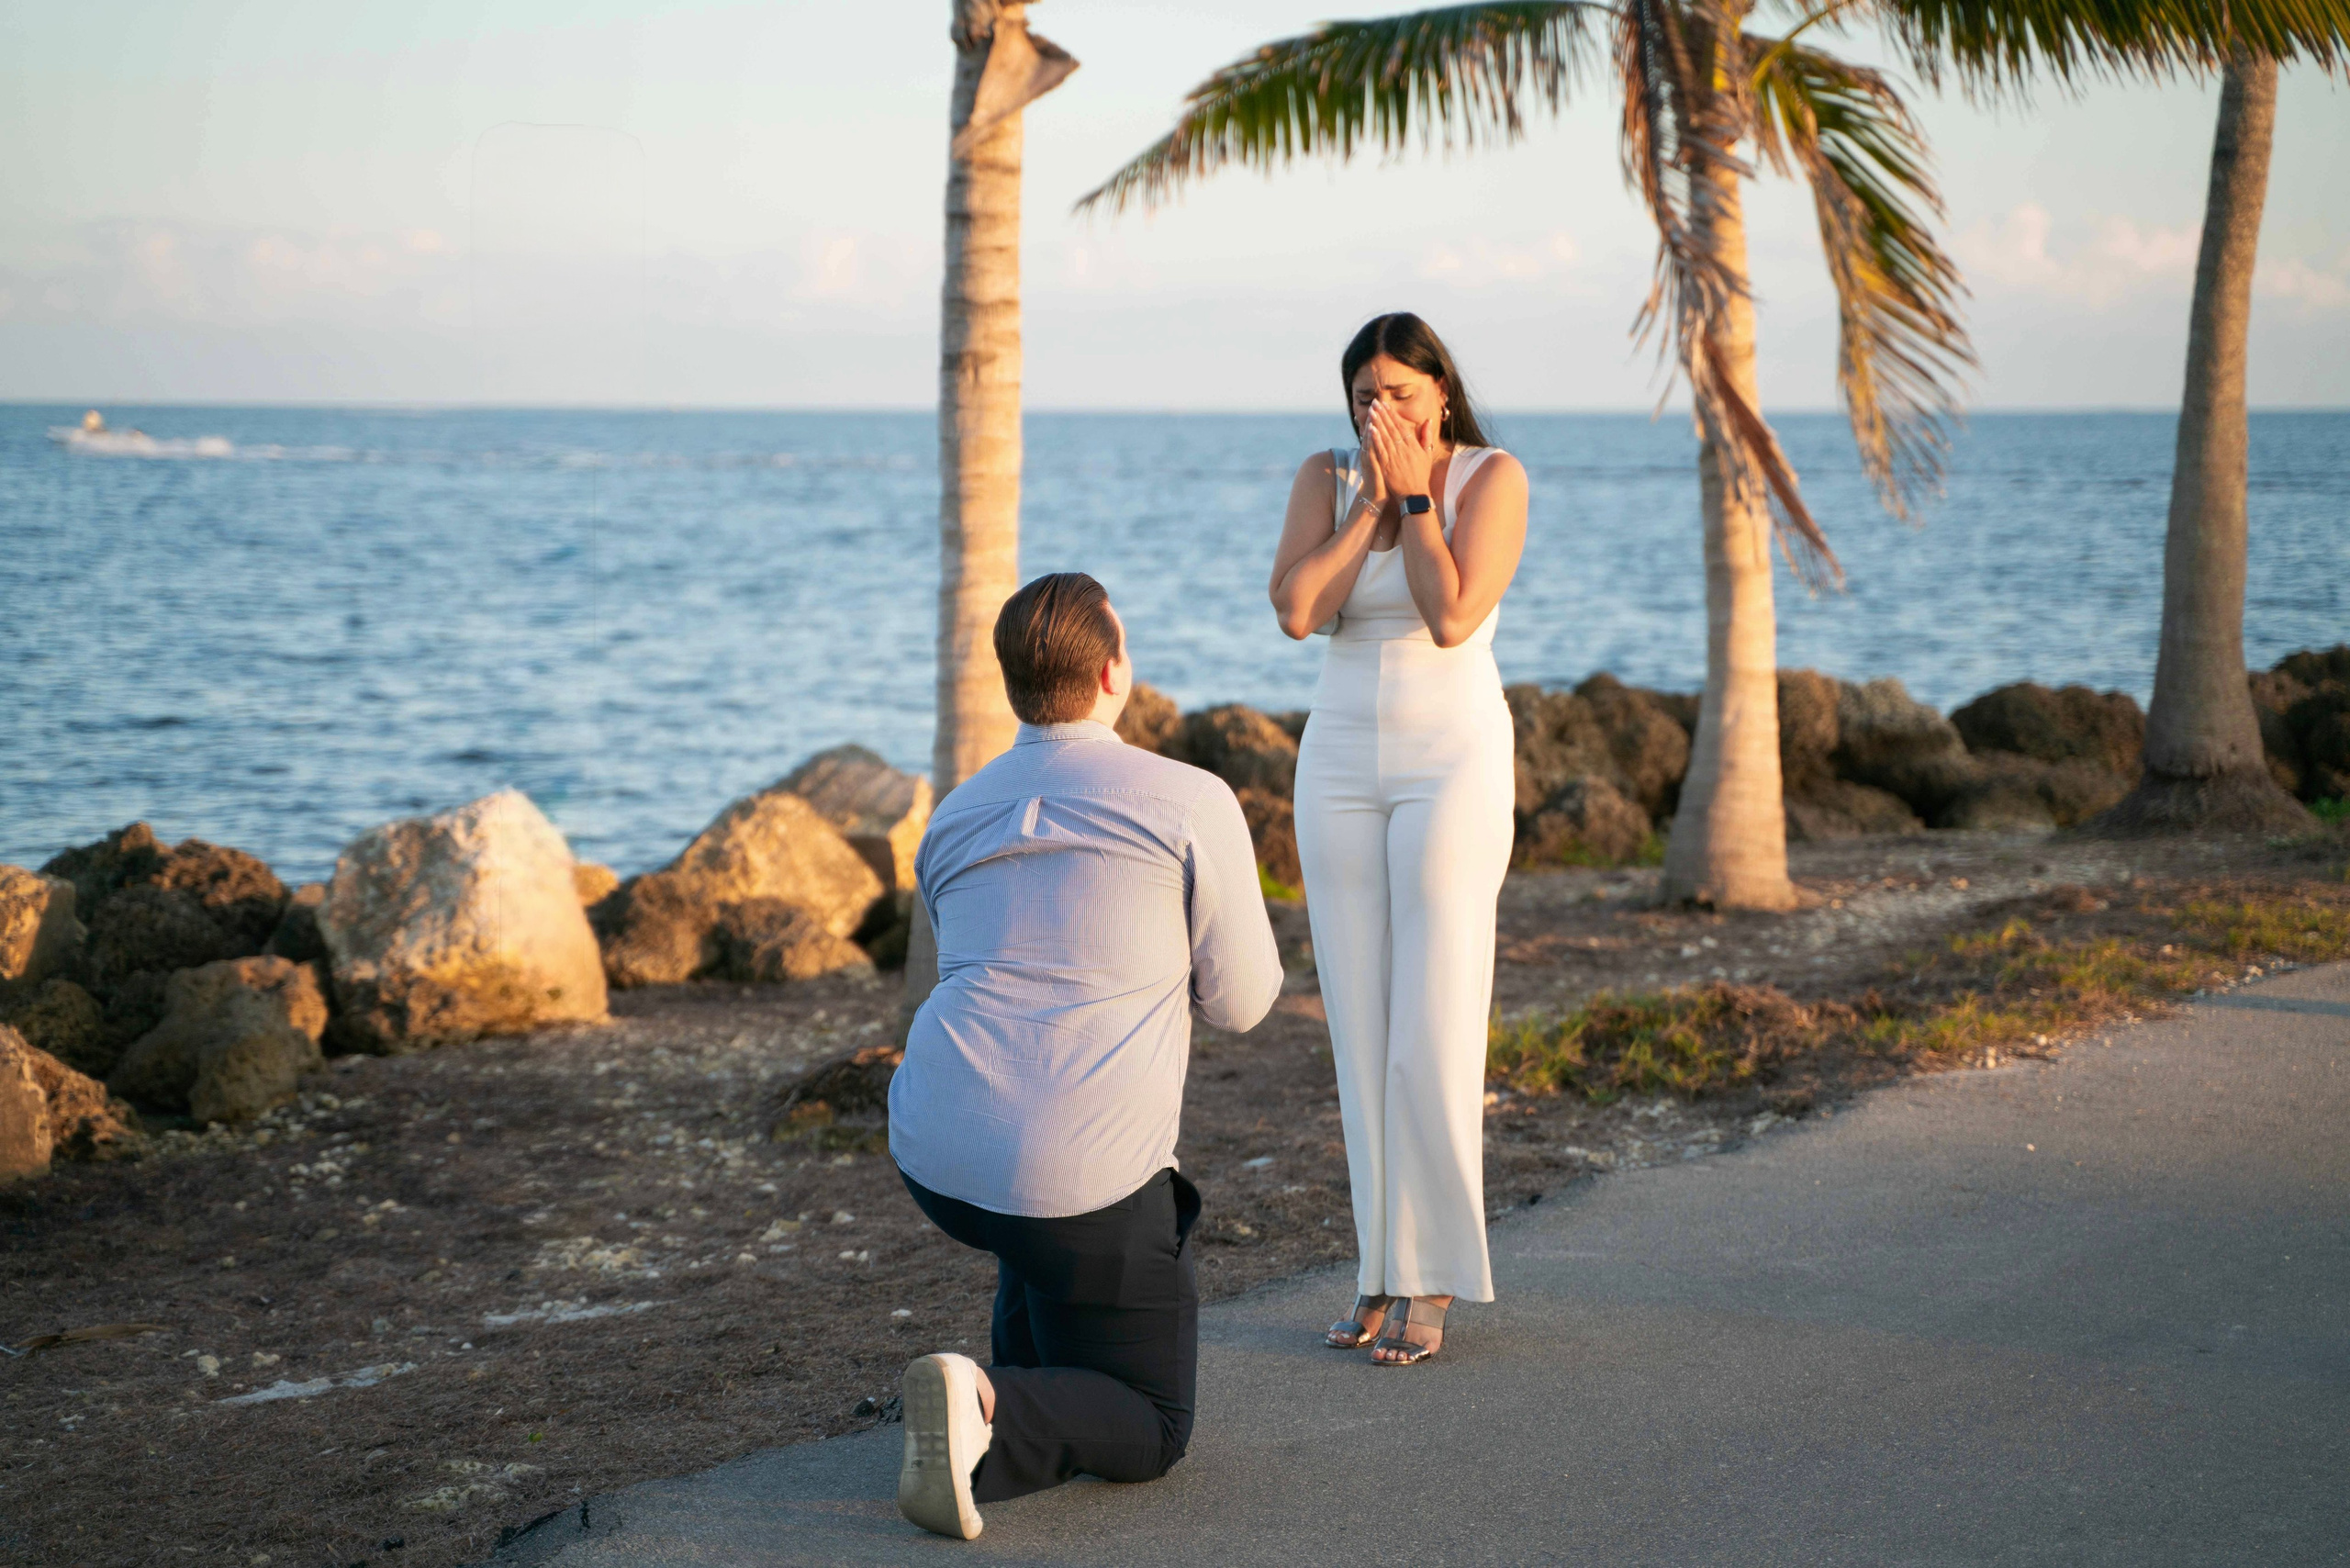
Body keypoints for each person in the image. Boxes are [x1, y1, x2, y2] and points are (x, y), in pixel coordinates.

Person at [888, 571, 1283, 1540]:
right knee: (1152, 1424)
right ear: (1113, 672)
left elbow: (932, 989)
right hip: (1079, 1180)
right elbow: (1241, 1002)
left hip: (937, 1153)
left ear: (1014, 682)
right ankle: (988, 1410)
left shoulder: (955, 813)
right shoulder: (1188, 797)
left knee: (1037, 1202)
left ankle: (1000, 1388)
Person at [1268, 312, 1530, 1366]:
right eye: (1366, 398)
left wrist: (1415, 492)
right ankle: (1378, 1262)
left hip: (1449, 758)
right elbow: (1296, 610)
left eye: (1402, 397)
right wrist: (1367, 502)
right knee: (1360, 1026)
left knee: (1432, 1021)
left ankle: (1433, 1276)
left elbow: (1452, 610)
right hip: (1336, 758)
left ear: (1442, 394)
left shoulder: (1490, 479)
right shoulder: (1323, 477)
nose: (1383, 415)